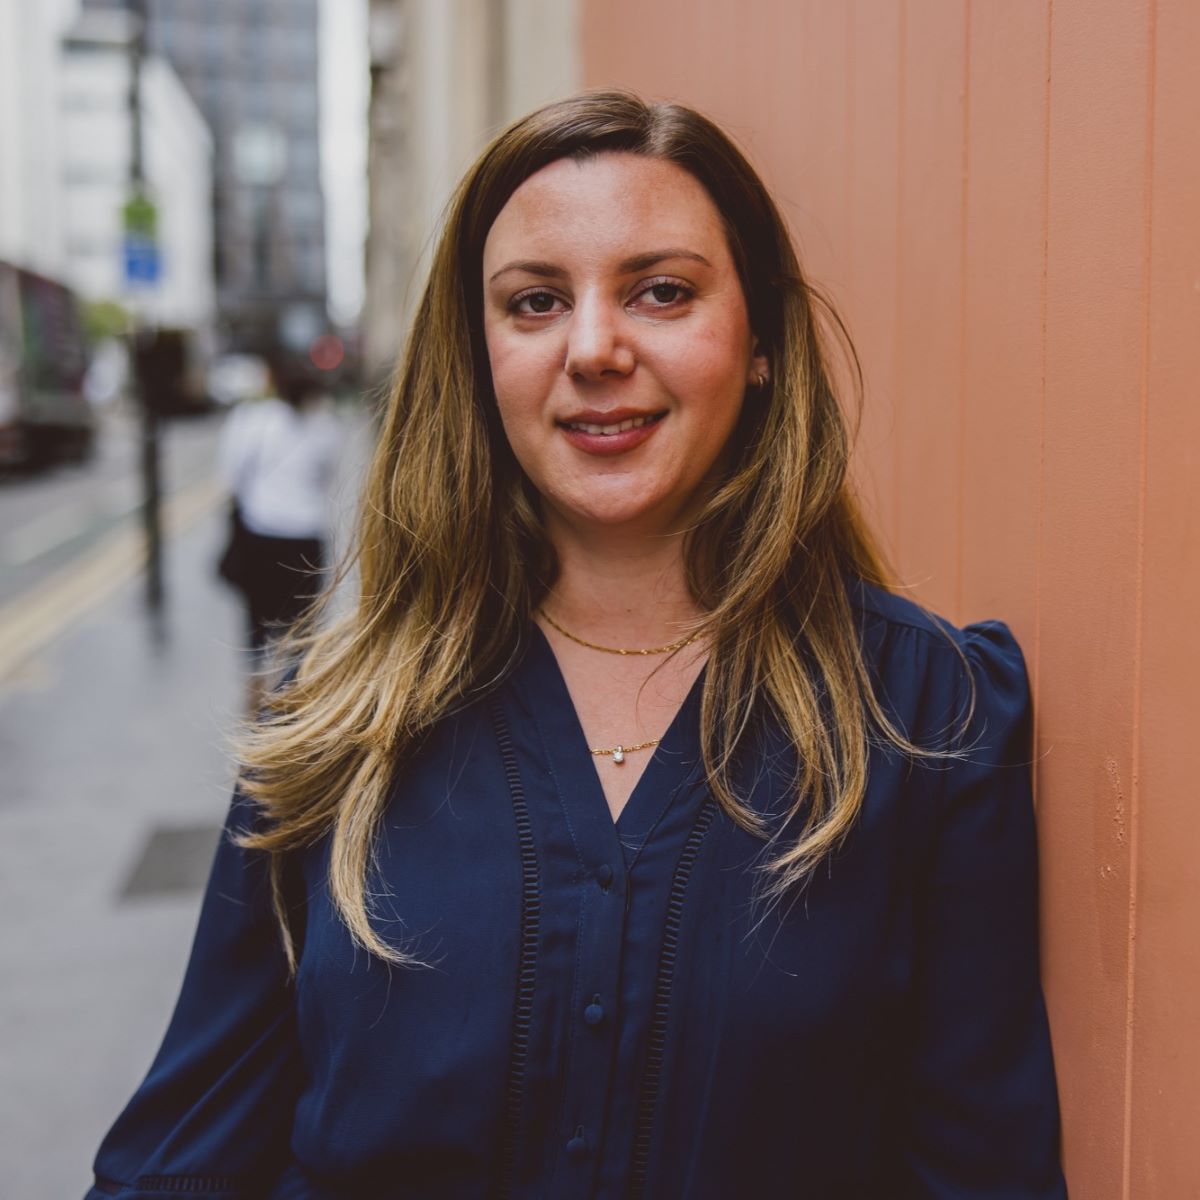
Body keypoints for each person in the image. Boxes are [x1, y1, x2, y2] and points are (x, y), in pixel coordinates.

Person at [87, 92, 1066, 1199]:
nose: (595, 348)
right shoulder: (336, 723)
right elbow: (178, 1165)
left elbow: (983, 1166)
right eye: (536, 302)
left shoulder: (922, 717)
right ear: (480, 357)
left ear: (760, 344)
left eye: (662, 291)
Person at [216, 360, 342, 711]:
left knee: (257, 617)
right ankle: (295, 698)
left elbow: (230, 477)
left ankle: (256, 694)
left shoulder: (251, 420)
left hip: (261, 531)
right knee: (303, 623)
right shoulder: (325, 426)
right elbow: (326, 477)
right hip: (305, 536)